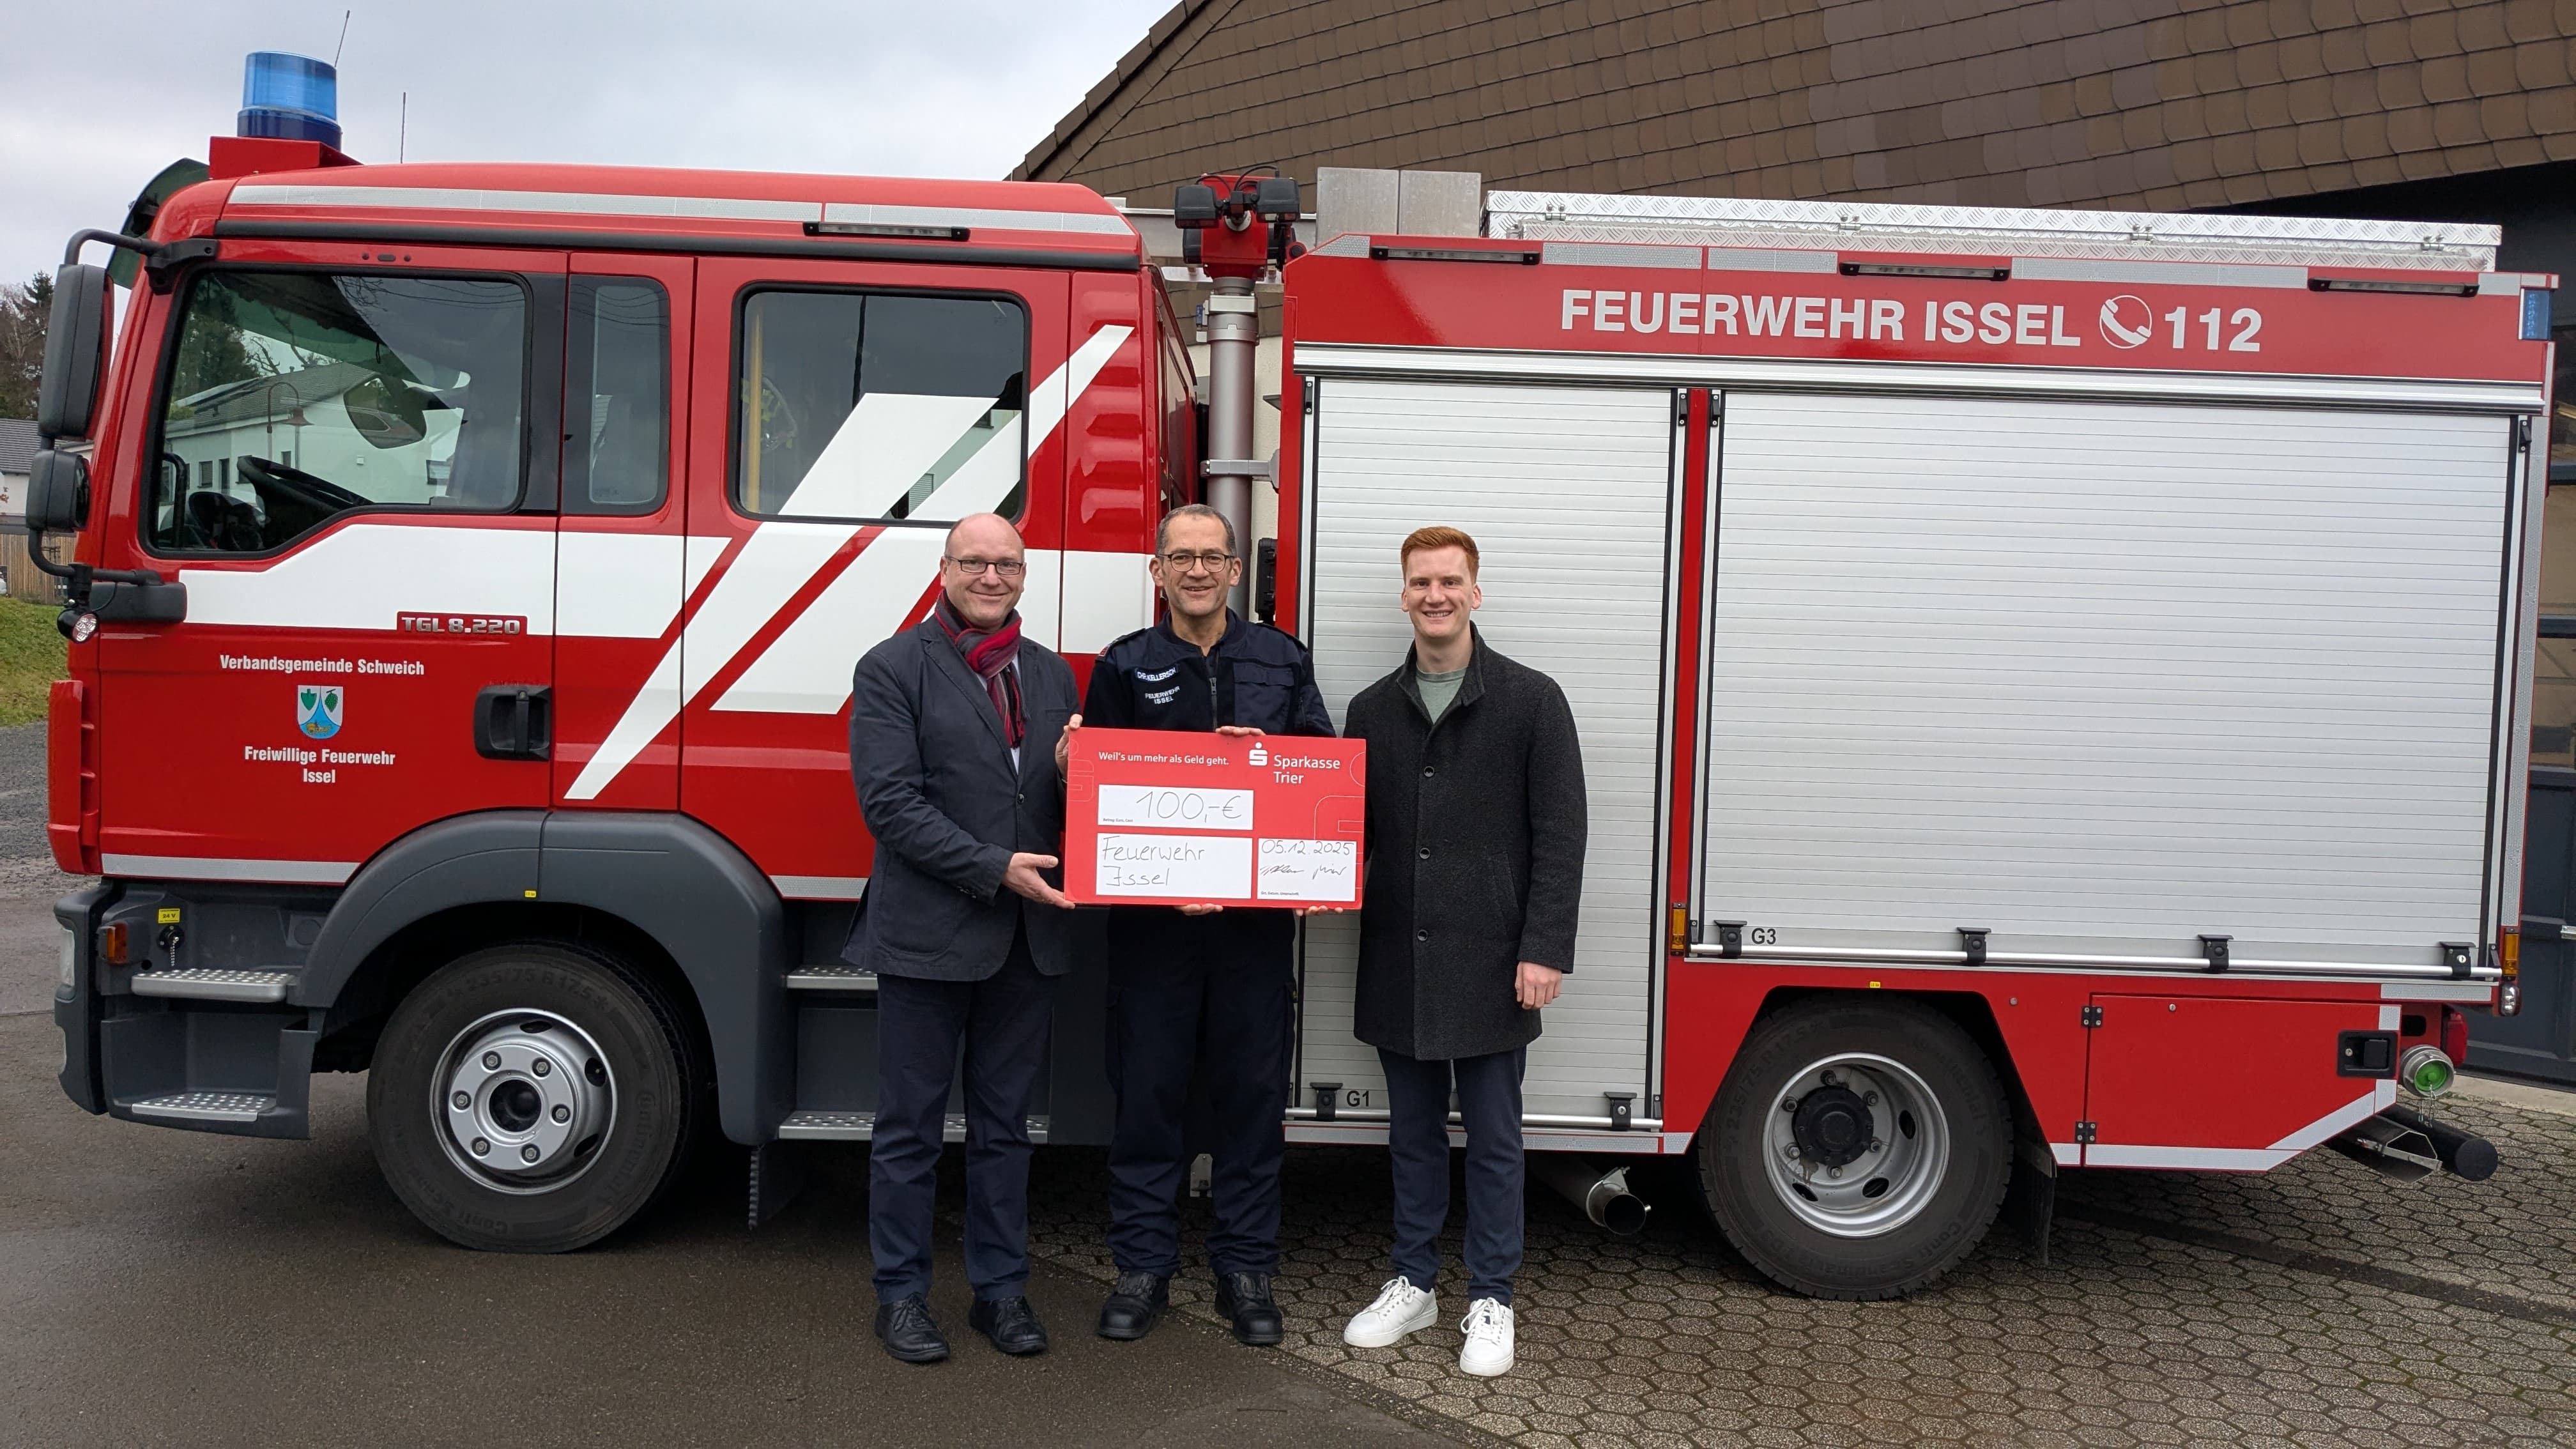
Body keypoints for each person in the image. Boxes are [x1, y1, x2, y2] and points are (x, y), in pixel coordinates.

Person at [1060, 502, 1335, 1347]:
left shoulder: (1283, 662)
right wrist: (1075, 764)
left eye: (1212, 557)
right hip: (1155, 937)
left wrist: (1276, 760)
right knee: (1149, 1100)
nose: (1198, 571)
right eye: (1181, 558)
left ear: (1235, 571)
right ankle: (1143, 1267)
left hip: (1253, 938)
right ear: (1158, 572)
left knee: (1252, 1103)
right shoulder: (1124, 664)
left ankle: (1245, 1270)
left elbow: (1324, 778)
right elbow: (1094, 798)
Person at [1336, 526, 1586, 1379]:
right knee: (1409, 1136)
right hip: (1400, 959)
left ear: (1477, 593)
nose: (1434, 595)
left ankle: (1493, 1296)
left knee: (1493, 1139)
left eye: (1450, 581)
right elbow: (1348, 832)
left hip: (1493, 965)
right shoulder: (1371, 709)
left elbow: (1561, 835)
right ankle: (1414, 1282)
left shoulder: (1531, 700)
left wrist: (1543, 947)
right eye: (1420, 582)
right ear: (1401, 596)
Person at [844, 511, 1080, 1365]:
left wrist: (1083, 778)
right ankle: (901, 1297)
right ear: (944, 569)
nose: (992, 576)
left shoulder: (1054, 676)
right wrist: (992, 867)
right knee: (909, 1130)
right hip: (929, 934)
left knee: (1004, 1129)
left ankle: (1000, 1292)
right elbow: (890, 804)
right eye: (975, 562)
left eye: (1007, 563)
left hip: (1025, 941)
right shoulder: (893, 668)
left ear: (1025, 573)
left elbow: (1064, 801)